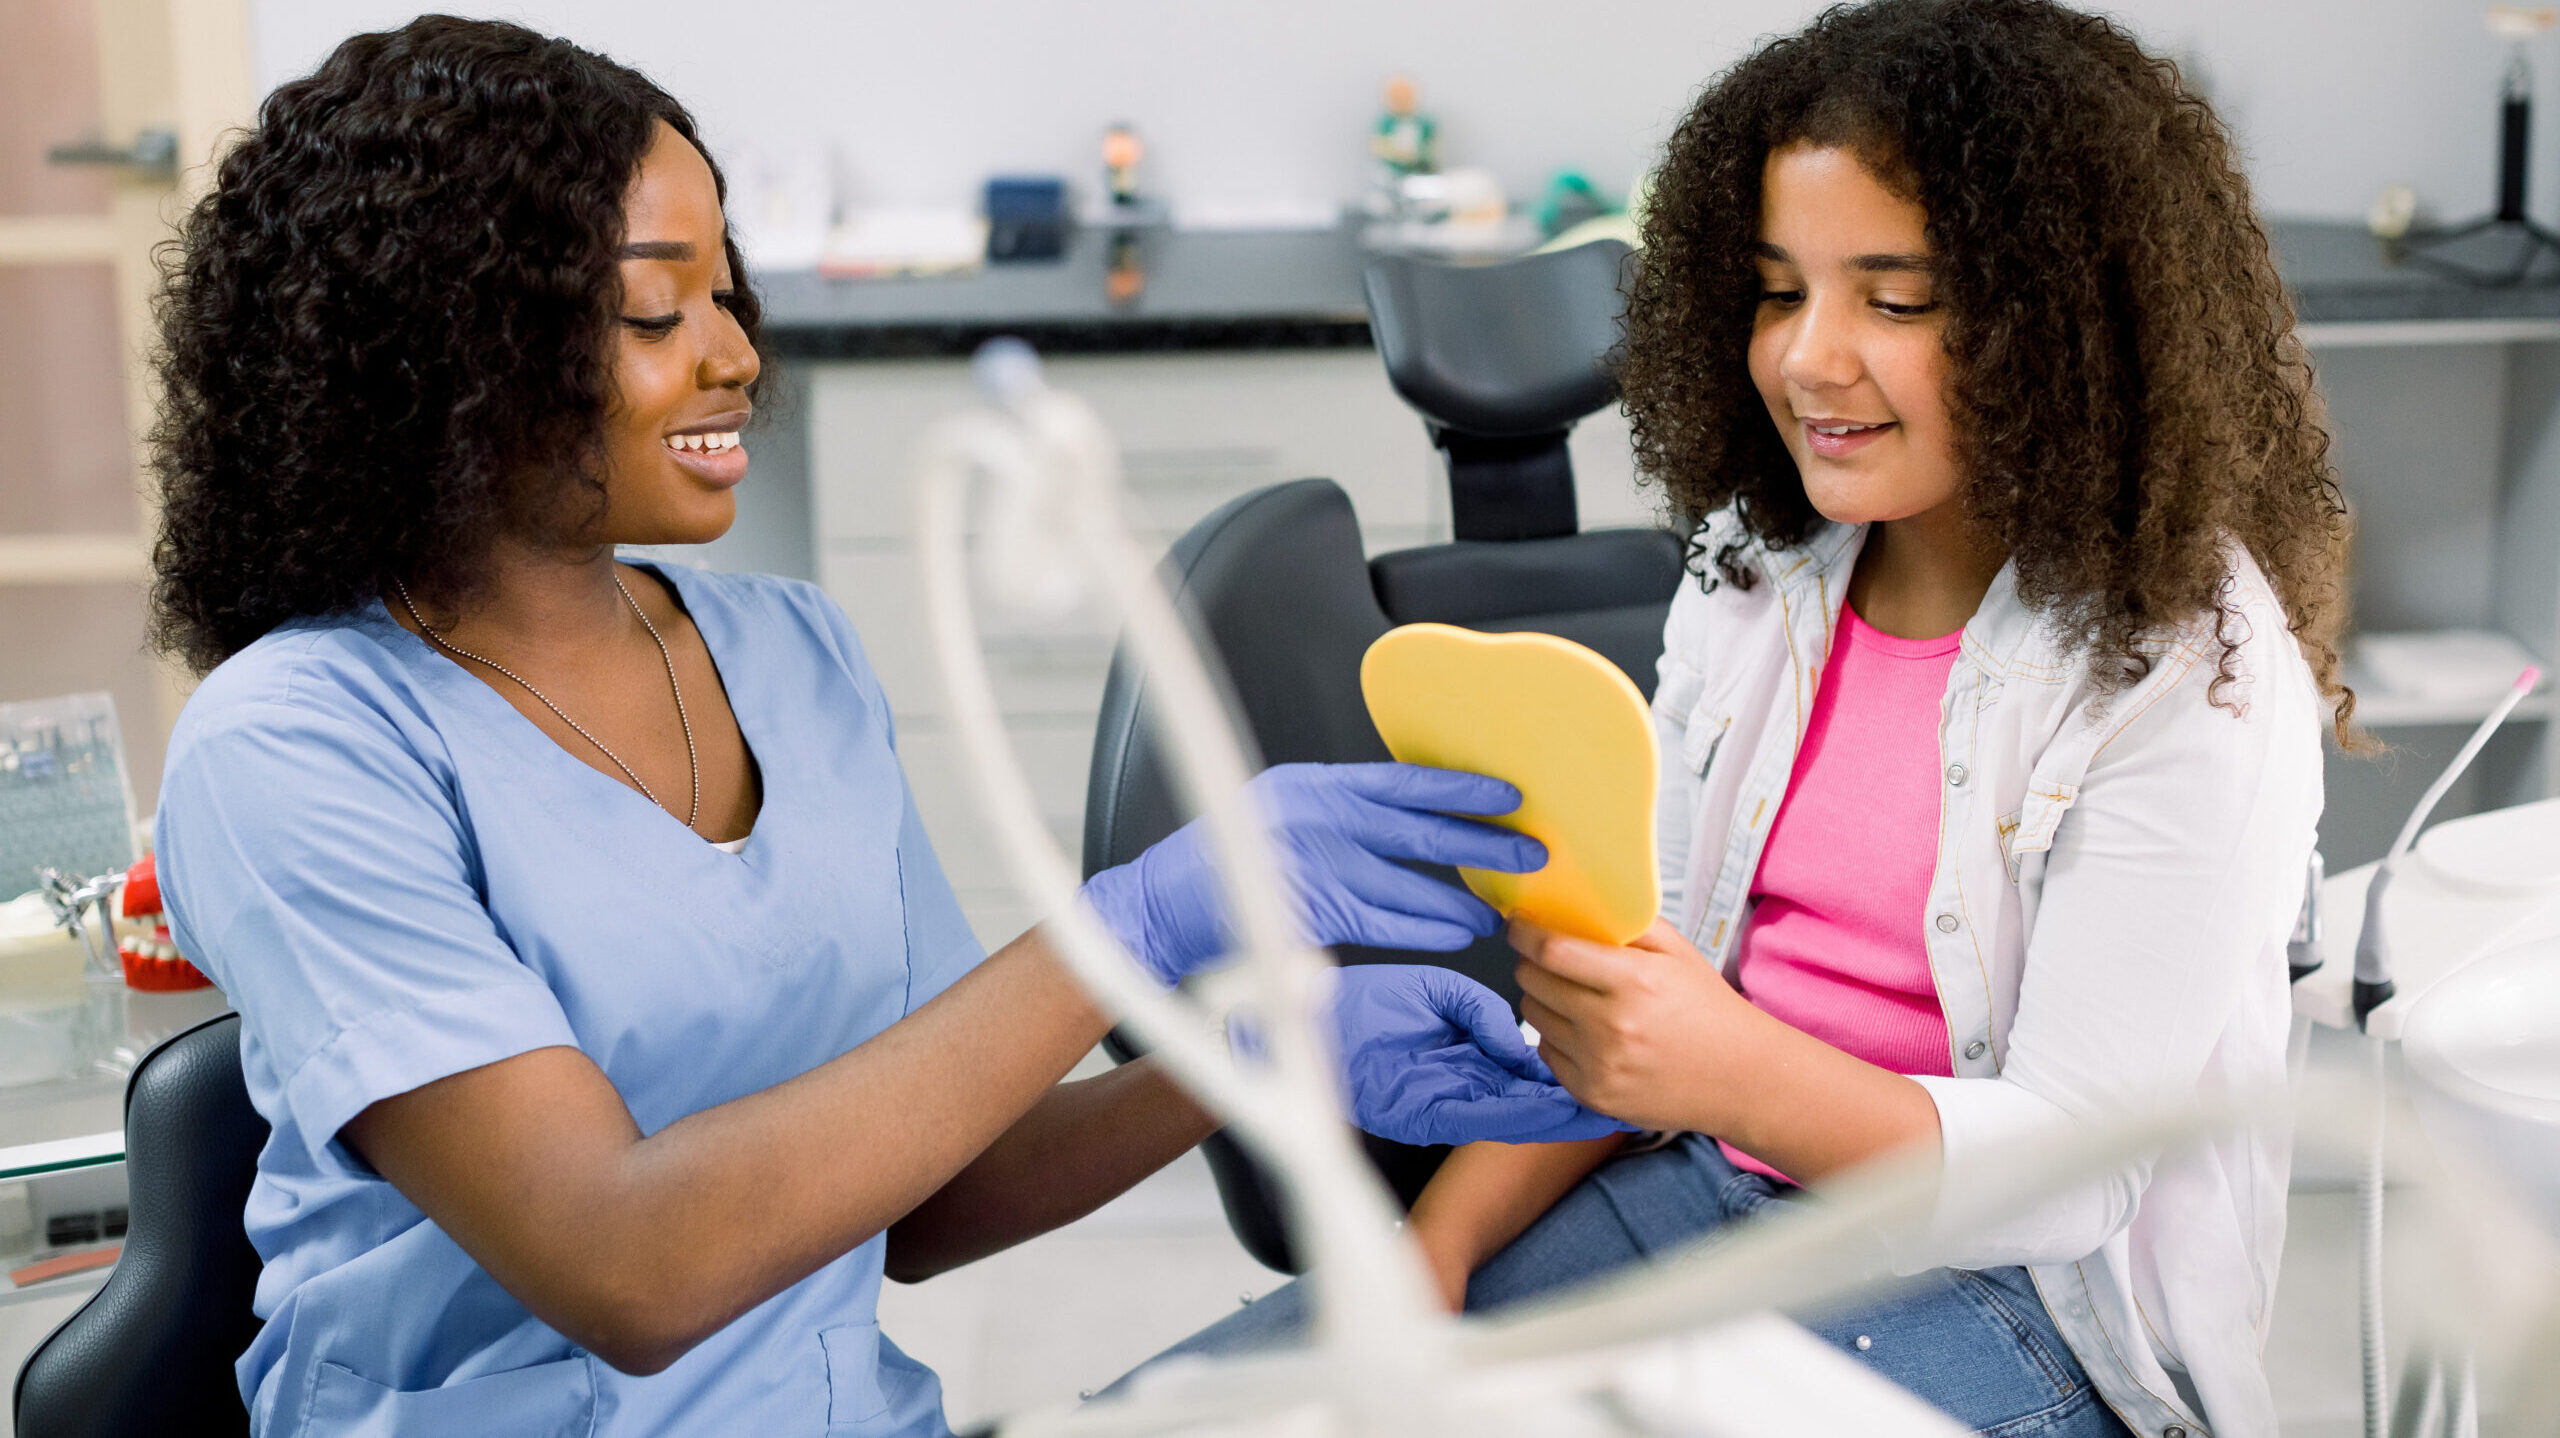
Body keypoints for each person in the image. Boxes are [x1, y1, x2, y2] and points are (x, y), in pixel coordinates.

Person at [146, 19, 1607, 1437]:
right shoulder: (294, 745)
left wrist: (1260, 1046)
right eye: (658, 311)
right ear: (447, 347)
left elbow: (933, 1196)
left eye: (730, 296)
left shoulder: (796, 657)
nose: (731, 356)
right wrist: (1123, 933)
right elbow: (626, 1263)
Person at [1130, 4, 2348, 1435]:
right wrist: (1439, 1249)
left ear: (2061, 323)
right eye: (1780, 291)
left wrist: (1724, 1067)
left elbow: (2073, 1176)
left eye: (1895, 300)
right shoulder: (1754, 570)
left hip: (2025, 1307)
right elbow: (1652, 989)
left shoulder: (2186, 660)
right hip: (1711, 1185)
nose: (1811, 359)